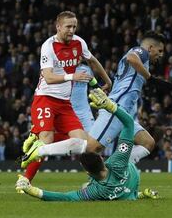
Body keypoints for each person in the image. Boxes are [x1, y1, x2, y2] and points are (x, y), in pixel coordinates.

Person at [21, 31, 166, 168]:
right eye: (160, 51)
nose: (161, 55)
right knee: (90, 148)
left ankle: (114, 172)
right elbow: (131, 58)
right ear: (150, 47)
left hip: (124, 113)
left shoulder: (142, 60)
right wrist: (150, 78)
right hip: (116, 109)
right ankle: (40, 150)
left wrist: (108, 83)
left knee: (148, 143)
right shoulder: (142, 52)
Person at [16, 88, 159, 201]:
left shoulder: (95, 191)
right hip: (131, 185)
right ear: (102, 159)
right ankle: (137, 194)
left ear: (88, 172)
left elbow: (66, 197)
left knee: (89, 188)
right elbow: (128, 123)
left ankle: (41, 148)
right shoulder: (119, 162)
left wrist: (33, 191)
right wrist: (110, 106)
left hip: (123, 192)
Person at [20, 11, 112, 183]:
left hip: (64, 103)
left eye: (74, 26)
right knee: (46, 139)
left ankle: (99, 180)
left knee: (86, 145)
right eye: (68, 26)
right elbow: (48, 77)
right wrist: (72, 77)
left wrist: (107, 80)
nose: (71, 30)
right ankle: (25, 180)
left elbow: (92, 61)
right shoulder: (48, 46)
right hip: (45, 98)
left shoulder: (79, 43)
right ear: (58, 27)